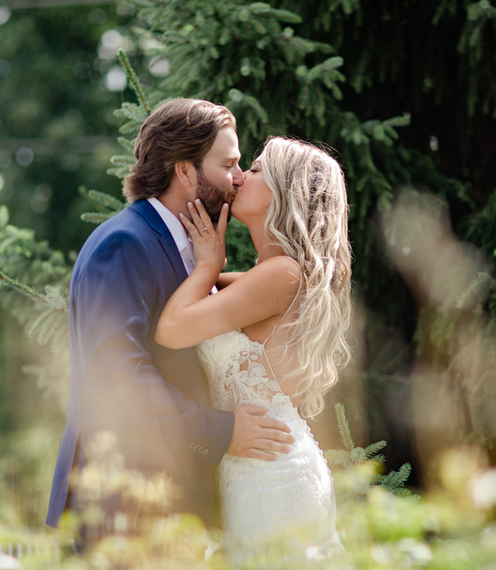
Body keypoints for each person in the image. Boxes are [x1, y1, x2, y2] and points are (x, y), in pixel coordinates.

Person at [45, 99, 295, 544]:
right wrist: (222, 431)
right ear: (184, 171)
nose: (238, 178)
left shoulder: (194, 251)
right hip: (122, 508)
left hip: (172, 508)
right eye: (229, 164)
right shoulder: (124, 244)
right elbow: (118, 378)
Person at [155, 136, 352, 560]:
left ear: (287, 191)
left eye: (258, 170)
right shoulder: (267, 274)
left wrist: (208, 264)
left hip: (275, 477)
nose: (241, 176)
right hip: (253, 469)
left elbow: (172, 328)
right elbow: (198, 293)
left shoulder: (281, 275)